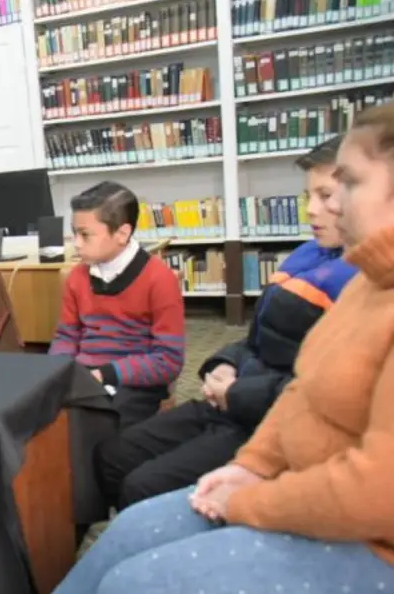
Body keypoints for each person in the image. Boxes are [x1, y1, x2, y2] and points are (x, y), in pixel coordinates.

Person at [53, 103, 394, 594]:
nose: (329, 206)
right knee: (128, 528)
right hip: (261, 439)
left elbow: (375, 492)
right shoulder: (364, 280)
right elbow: (297, 387)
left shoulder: (356, 281)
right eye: (320, 192)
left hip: (354, 528)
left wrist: (247, 497)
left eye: (349, 184)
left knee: (130, 579)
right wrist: (249, 462)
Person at [94, 138, 358, 510]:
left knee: (143, 485)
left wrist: (235, 392)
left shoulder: (363, 285)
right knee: (113, 453)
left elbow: (325, 395)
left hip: (266, 422)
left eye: (325, 196)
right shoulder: (306, 255)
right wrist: (223, 363)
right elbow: (259, 338)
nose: (311, 210)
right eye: (307, 196)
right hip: (232, 400)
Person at [49, 181, 185, 428]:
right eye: (74, 233)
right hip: (84, 374)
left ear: (122, 233)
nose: (76, 243)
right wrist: (58, 370)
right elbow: (67, 336)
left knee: (103, 428)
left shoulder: (160, 279)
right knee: (41, 418)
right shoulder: (77, 277)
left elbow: (168, 360)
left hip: (134, 382)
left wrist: (106, 374)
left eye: (85, 235)